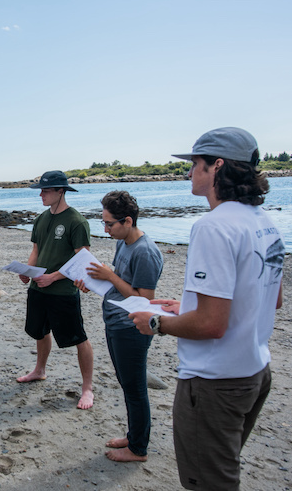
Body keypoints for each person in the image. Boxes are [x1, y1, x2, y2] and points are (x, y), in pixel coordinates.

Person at [130, 127, 285, 490]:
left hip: (216, 380)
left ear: (216, 167)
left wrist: (156, 322)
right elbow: (269, 298)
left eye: (195, 164)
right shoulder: (265, 223)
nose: (189, 172)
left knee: (211, 482)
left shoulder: (214, 227)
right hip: (255, 371)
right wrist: (190, 305)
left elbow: (212, 325)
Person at [74, 191, 163, 462]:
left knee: (135, 388)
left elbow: (144, 299)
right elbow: (120, 284)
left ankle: (138, 448)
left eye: (109, 224)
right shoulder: (123, 243)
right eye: (103, 223)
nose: (105, 229)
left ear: (127, 221)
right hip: (114, 321)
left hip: (132, 328)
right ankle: (134, 435)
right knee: (127, 384)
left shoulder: (145, 252)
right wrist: (93, 282)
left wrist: (109, 275)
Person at [16, 170, 94, 410]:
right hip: (39, 289)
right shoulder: (41, 219)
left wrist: (54, 277)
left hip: (63, 292)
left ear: (61, 191)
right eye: (41, 190)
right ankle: (39, 370)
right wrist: (28, 271)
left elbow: (84, 260)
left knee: (78, 337)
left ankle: (87, 388)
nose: (41, 194)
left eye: (46, 190)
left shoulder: (76, 221)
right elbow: (37, 251)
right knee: (39, 331)